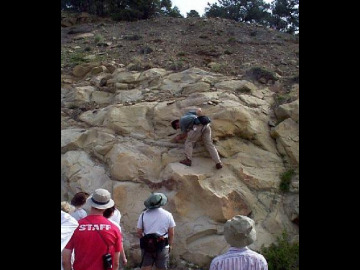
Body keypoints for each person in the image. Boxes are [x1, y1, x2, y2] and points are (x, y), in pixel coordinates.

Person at [62, 188, 123, 270]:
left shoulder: (76, 226)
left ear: (91, 203)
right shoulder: (114, 228)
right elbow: (116, 262)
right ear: (106, 207)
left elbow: (65, 259)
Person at [137, 192, 176, 270]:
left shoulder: (143, 214)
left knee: (146, 267)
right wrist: (170, 245)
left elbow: (139, 231)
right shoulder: (168, 215)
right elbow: (171, 233)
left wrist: (145, 239)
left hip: (148, 245)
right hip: (162, 245)